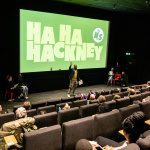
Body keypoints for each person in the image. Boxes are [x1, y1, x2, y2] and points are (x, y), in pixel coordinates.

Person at [75, 111, 145, 150]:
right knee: (98, 139)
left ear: (126, 133)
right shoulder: (141, 141)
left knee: (82, 144)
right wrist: (114, 148)